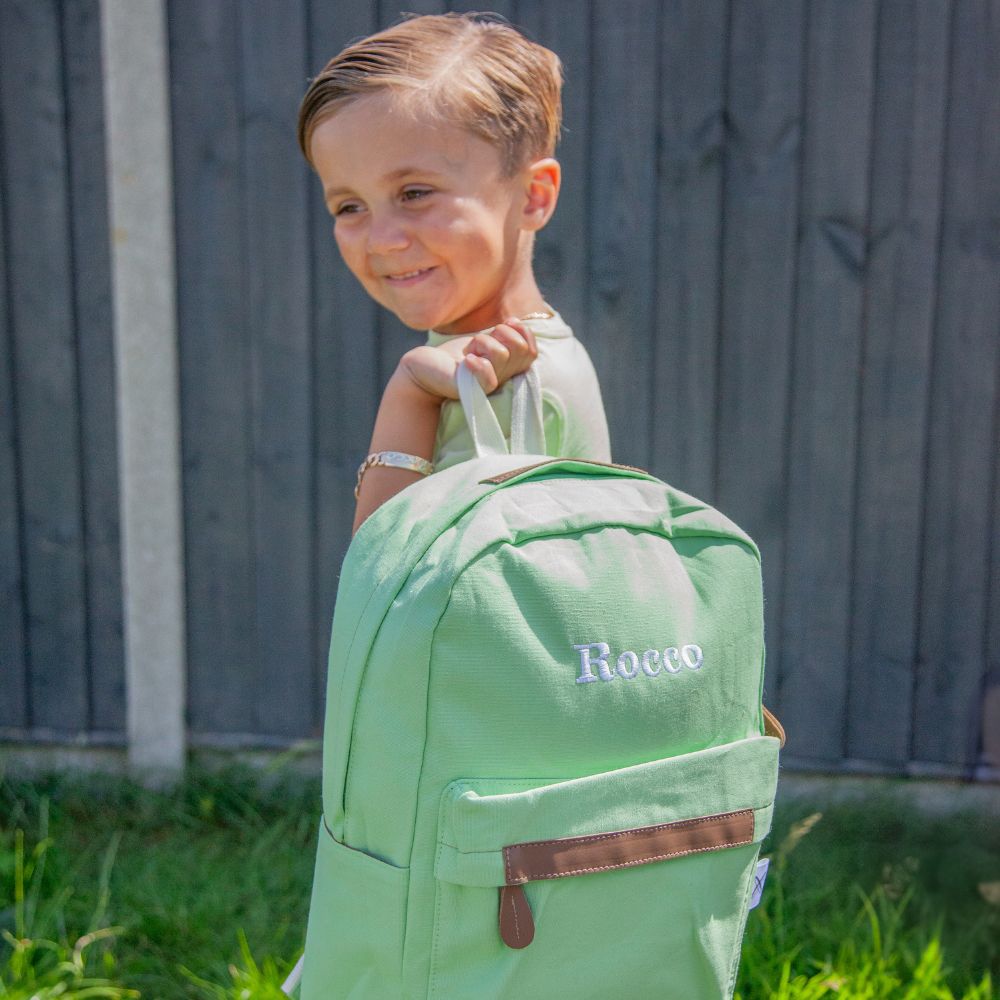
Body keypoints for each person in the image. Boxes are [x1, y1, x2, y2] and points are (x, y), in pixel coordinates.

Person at [296, 11, 611, 535]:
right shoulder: (535, 352)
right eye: (349, 206)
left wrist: (409, 393)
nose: (382, 238)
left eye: (414, 193)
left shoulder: (504, 386)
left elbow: (384, 586)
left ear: (533, 195)